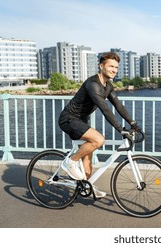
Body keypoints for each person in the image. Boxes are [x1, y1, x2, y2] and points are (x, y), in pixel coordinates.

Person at [58, 52, 139, 198]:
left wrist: (133, 123)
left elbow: (118, 105)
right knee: (98, 140)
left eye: (116, 67)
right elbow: (105, 109)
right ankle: (70, 162)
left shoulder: (107, 86)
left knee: (88, 159)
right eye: (111, 66)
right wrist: (121, 130)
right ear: (101, 66)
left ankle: (85, 186)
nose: (114, 70)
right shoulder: (93, 84)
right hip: (69, 119)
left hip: (81, 120)